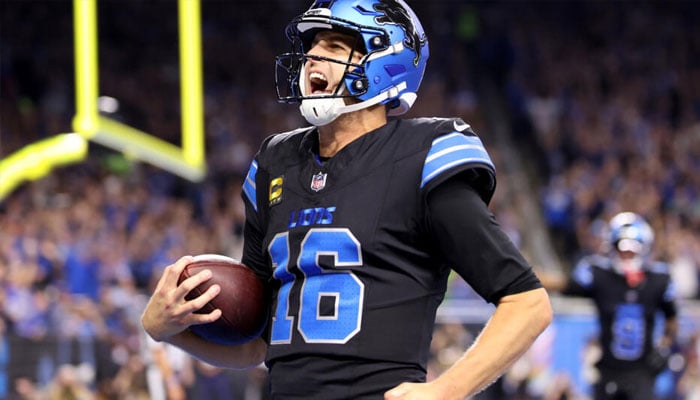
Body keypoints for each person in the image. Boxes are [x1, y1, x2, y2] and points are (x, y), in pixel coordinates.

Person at [141, 0, 552, 398]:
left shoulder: (422, 154)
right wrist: (168, 331)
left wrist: (447, 390)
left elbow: (527, 303)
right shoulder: (275, 162)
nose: (313, 57)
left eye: (334, 46)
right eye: (313, 46)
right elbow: (257, 345)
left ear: (384, 62)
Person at [542, 212, 678, 400]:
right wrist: (526, 278)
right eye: (622, 249)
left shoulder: (658, 280)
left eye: (632, 249)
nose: (627, 255)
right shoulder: (600, 275)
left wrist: (664, 346)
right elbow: (565, 285)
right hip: (608, 370)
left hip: (642, 371)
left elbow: (672, 318)